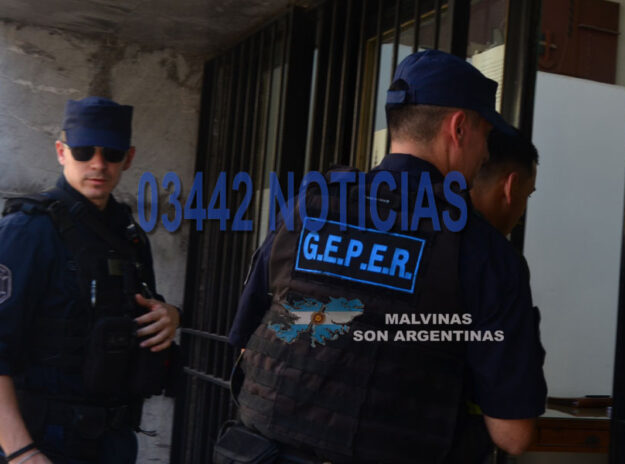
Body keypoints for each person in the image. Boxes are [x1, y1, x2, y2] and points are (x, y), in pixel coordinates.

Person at [226, 50, 546, 463]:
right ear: (459, 127)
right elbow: (513, 435)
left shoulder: (307, 207)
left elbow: (248, 350)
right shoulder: (483, 251)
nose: (485, 154)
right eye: (485, 135)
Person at [0, 97, 180, 464]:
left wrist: (169, 315)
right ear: (61, 152)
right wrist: (21, 453)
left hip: (114, 442)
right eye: (83, 151)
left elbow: (139, 312)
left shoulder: (129, 236)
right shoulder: (24, 232)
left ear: (128, 158)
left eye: (111, 153)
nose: (98, 164)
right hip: (43, 443)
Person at [470, 128, 538, 236]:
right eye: (527, 195)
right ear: (511, 188)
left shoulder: (443, 227)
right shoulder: (489, 245)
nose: (522, 213)